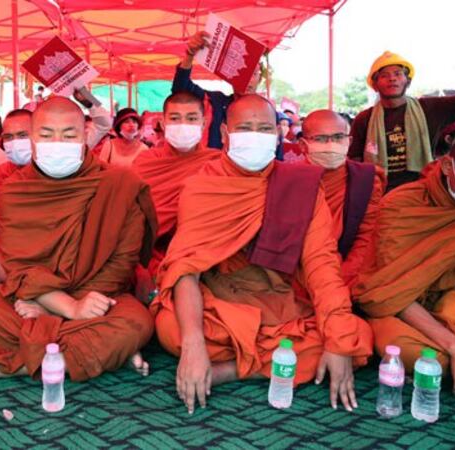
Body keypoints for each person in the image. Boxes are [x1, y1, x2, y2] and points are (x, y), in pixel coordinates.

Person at [152, 94, 373, 414]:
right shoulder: (203, 186)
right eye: (245, 128)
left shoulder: (300, 185)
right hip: (222, 300)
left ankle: (229, 370)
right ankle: (264, 362)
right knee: (172, 328)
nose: (255, 135)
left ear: (279, 134)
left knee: (355, 335)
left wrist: (338, 340)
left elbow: (321, 263)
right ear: (226, 135)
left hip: (281, 299)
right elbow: (187, 268)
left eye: (265, 128)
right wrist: (194, 343)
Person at [0, 97, 157, 393]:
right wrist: (66, 307)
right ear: (33, 139)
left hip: (94, 295)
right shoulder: (16, 190)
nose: (58, 143)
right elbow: (19, 267)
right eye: (46, 135)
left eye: (69, 135)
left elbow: (120, 267)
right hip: (41, 297)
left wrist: (55, 311)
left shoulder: (119, 184)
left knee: (136, 323)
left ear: (85, 137)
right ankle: (88, 355)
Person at [353, 121, 455, 414]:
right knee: (417, 354)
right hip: (403, 310)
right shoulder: (404, 204)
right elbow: (390, 293)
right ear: (446, 166)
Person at [349, 51, 455, 192]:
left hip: (423, 190)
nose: (392, 78)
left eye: (398, 74)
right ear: (375, 85)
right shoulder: (364, 119)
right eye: (384, 75)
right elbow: (355, 161)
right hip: (379, 191)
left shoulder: (430, 108)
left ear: (408, 81)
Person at [132, 92, 220, 301]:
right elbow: (132, 219)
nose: (183, 125)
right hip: (152, 252)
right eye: (175, 118)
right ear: (162, 123)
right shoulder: (146, 162)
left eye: (191, 119)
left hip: (201, 253)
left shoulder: (216, 163)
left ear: (204, 122)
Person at [299, 110, 384, 288]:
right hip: (299, 270)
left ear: (349, 141)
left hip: (347, 269)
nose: (331, 145)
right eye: (321, 139)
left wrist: (342, 277)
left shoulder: (366, 178)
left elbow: (366, 236)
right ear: (303, 145)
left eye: (338, 137)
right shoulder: (289, 179)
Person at [173, 31, 263, 150]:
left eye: (253, 74)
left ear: (259, 78)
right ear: (229, 76)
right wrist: (190, 54)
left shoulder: (267, 113)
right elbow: (180, 88)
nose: (247, 80)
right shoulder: (216, 101)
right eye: (242, 73)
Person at [0, 109, 34, 283]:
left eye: (22, 135)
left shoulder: (56, 171)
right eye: (8, 137)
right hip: (8, 241)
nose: (15, 143)